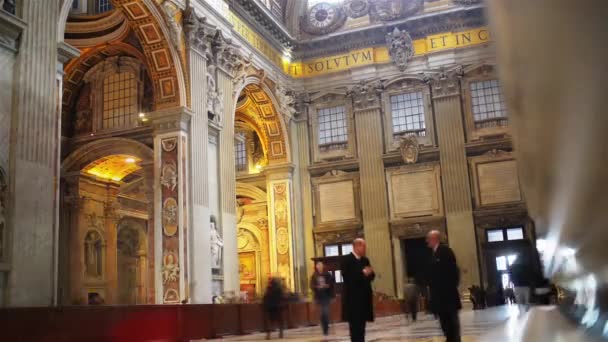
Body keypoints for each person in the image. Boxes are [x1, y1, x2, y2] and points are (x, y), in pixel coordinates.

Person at [426, 230, 461, 342]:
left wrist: (449, 289)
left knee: (451, 323)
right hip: (440, 297)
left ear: (435, 239)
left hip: (447, 295)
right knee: (445, 323)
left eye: (429, 238)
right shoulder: (434, 253)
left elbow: (453, 272)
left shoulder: (445, 251)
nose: (427, 241)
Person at [341, 238, 375, 342]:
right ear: (357, 246)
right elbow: (347, 278)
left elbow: (372, 275)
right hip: (353, 300)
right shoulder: (347, 260)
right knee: (355, 328)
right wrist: (363, 273)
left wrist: (369, 273)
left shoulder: (365, 260)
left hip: (364, 299)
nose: (365, 249)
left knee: (362, 328)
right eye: (364, 246)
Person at [310, 261, 335, 336]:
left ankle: (326, 329)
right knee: (322, 314)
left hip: (326, 296)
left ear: (323, 266)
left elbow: (332, 282)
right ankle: (324, 326)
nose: (320, 267)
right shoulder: (314, 275)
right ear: (317, 267)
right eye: (318, 265)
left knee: (325, 312)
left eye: (321, 265)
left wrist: (327, 285)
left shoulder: (327, 274)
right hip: (318, 296)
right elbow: (311, 285)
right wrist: (317, 287)